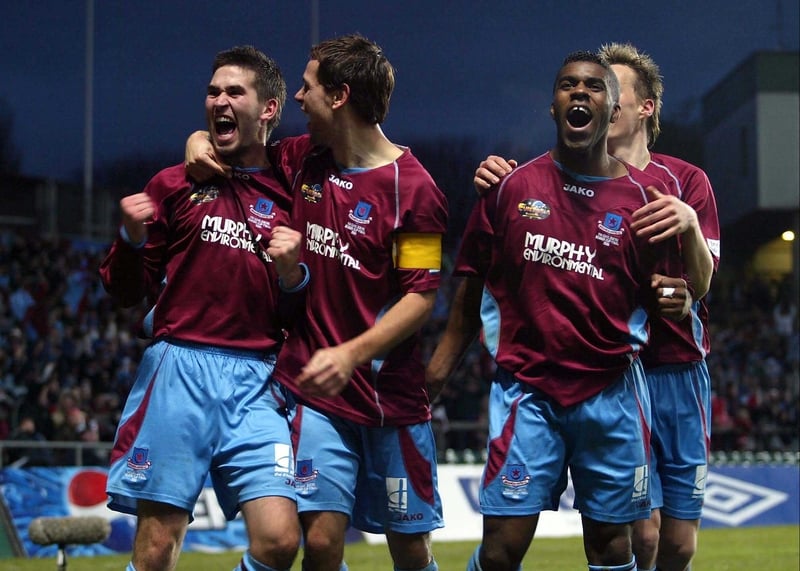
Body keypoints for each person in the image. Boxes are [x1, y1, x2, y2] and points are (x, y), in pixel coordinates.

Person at [186, 34, 447, 571]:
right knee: (322, 543)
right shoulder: (303, 159)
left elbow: (420, 296)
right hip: (316, 397)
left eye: (308, 87)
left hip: (390, 401)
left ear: (340, 96)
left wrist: (351, 353)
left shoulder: (416, 191)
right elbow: (239, 146)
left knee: (411, 551)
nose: (299, 99)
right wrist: (197, 140)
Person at [427, 50, 681, 571]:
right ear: (553, 106)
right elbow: (470, 295)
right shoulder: (508, 189)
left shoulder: (644, 201)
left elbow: (672, 294)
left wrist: (678, 296)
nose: (579, 92)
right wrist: (432, 380)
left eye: (594, 86)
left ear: (613, 111)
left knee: (612, 547)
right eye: (568, 85)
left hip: (612, 394)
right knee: (500, 549)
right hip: (528, 393)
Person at [99, 46, 303, 571]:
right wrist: (131, 238)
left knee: (280, 541)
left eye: (235, 92)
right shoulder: (172, 184)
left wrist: (291, 276)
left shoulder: (293, 194)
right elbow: (125, 291)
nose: (219, 101)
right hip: (179, 371)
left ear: (269, 109)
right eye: (213, 92)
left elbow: (299, 307)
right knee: (155, 551)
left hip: (259, 380)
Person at [598, 42, 721, 571]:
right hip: (620, 375)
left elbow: (703, 283)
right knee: (641, 536)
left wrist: (689, 224)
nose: (602, 101)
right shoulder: (580, 182)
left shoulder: (688, 182)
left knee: (679, 546)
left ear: (646, 106)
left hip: (681, 372)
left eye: (614, 91)